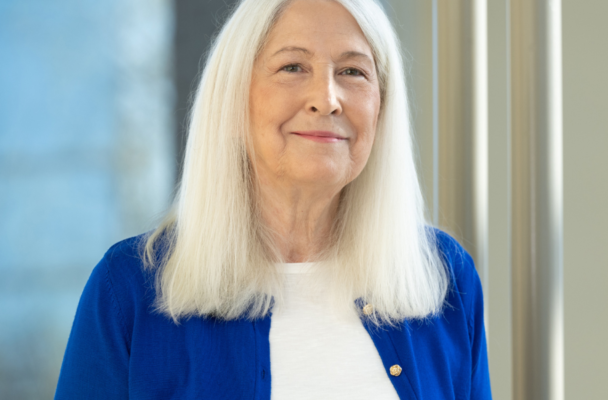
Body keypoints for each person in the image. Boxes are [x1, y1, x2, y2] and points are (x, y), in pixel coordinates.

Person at [54, 0, 491, 398]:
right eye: (293, 67)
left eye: (353, 71)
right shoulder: (128, 290)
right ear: (234, 98)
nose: (326, 99)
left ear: (382, 105)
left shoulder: (443, 280)